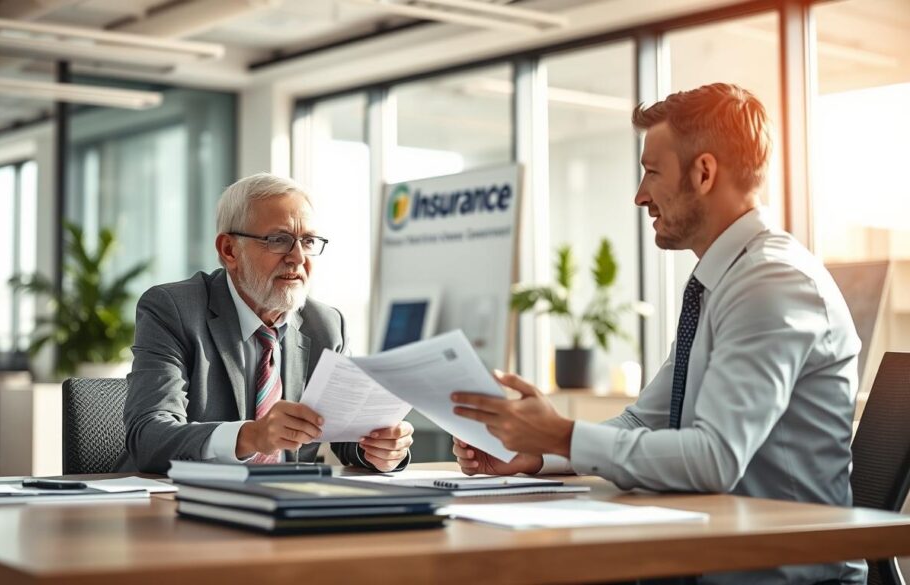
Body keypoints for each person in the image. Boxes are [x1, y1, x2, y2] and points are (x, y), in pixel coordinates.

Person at [451, 83, 865, 584]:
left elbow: (715, 460)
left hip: (782, 575)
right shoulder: (724, 280)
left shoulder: (772, 283)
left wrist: (561, 432)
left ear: (704, 173)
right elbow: (639, 423)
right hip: (716, 557)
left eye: (651, 172)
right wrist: (536, 454)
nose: (640, 195)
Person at [119, 173, 413, 474]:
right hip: (179, 503)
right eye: (279, 240)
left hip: (289, 504)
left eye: (308, 241)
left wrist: (379, 448)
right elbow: (148, 437)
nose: (298, 257)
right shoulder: (175, 309)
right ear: (229, 250)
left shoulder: (326, 325)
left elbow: (345, 434)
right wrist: (251, 436)